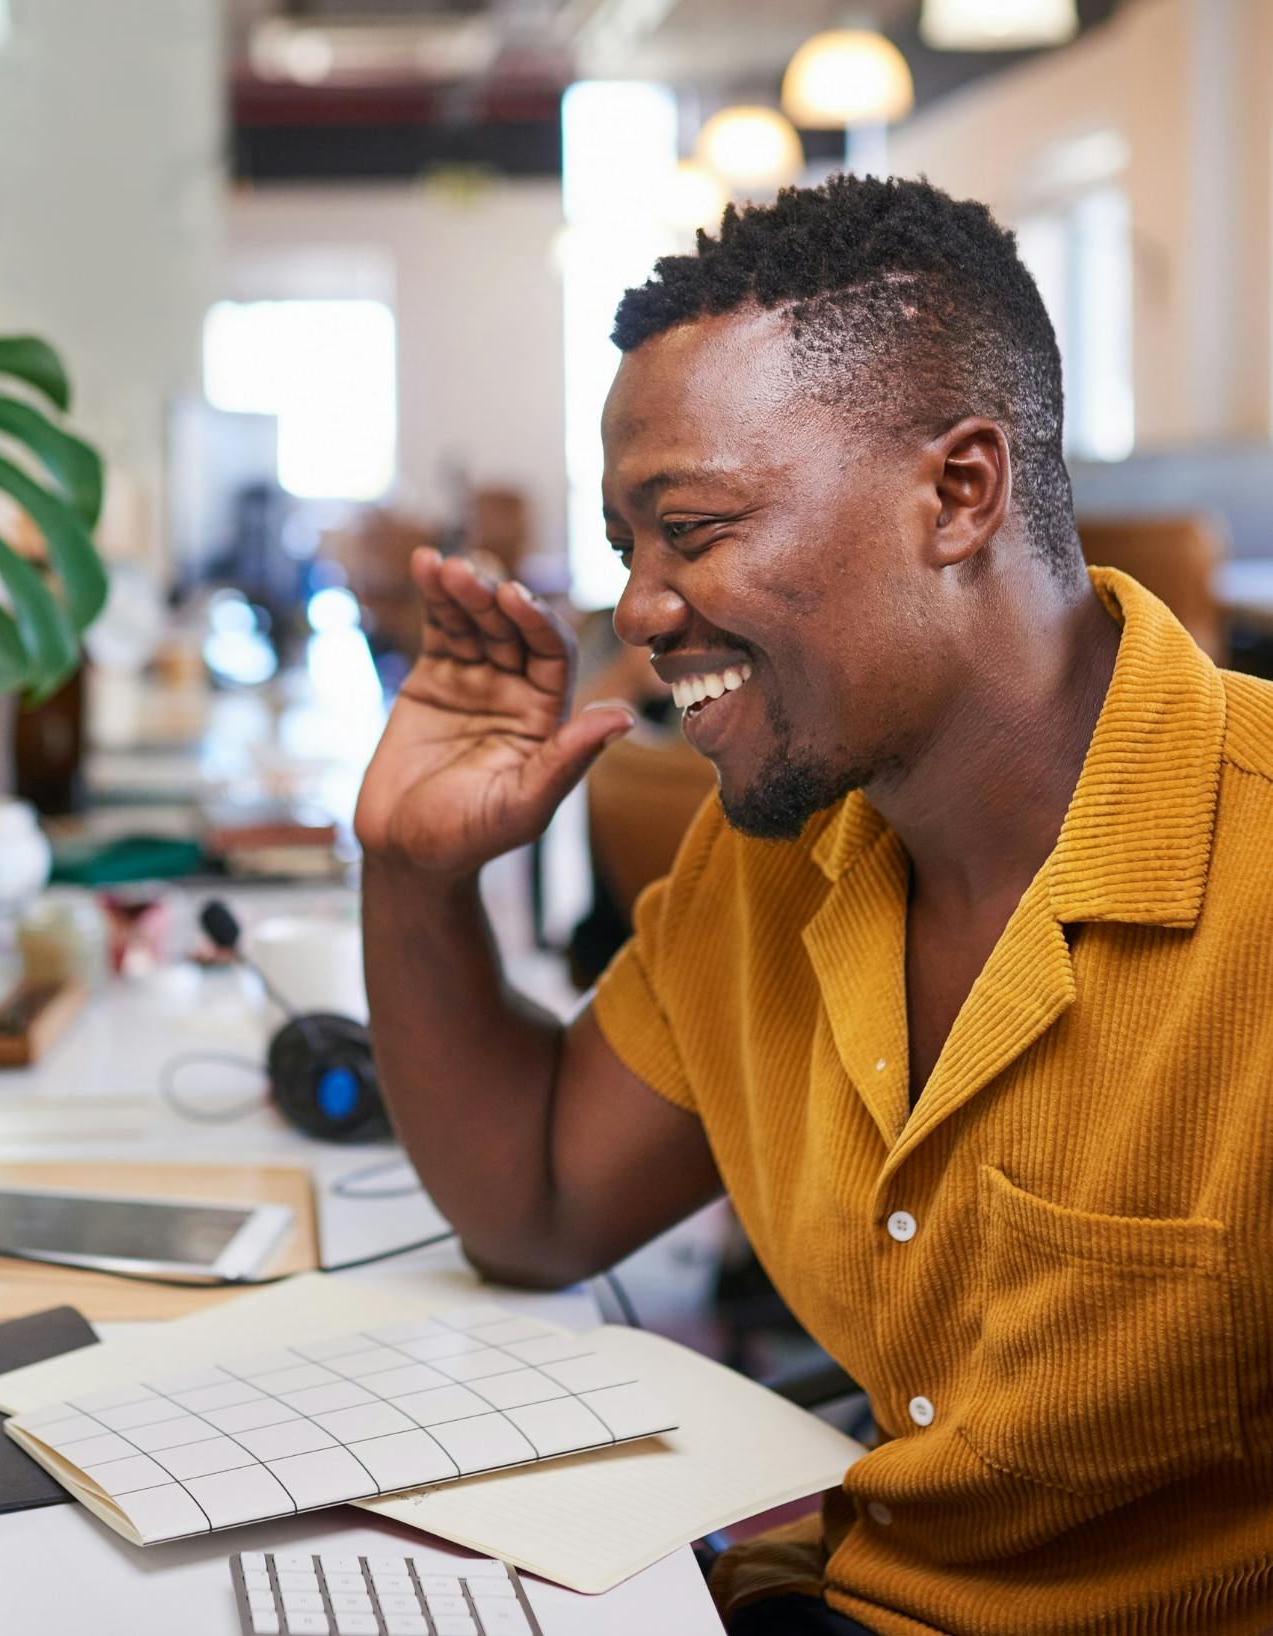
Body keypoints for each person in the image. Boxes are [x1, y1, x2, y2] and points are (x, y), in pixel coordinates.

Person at [356, 175, 1273, 1636]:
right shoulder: (776, 848)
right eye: (626, 550)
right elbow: (532, 1202)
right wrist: (411, 871)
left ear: (958, 493)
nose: (642, 610)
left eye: (695, 526)